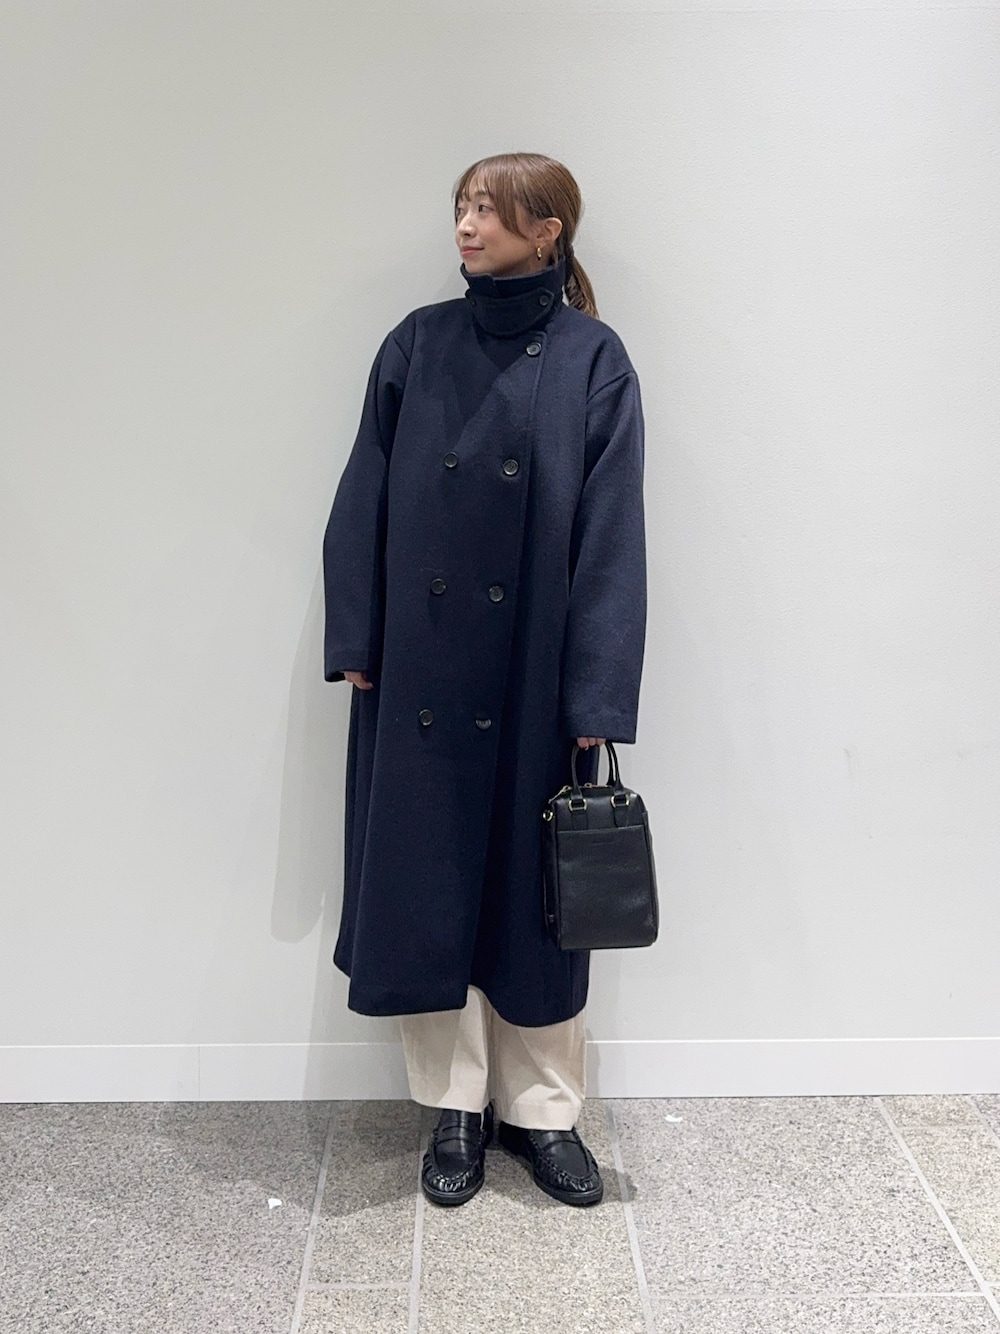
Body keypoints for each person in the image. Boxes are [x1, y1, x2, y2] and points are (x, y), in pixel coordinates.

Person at [321, 152, 647, 1208]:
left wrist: (596, 698)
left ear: (546, 230)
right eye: (461, 207)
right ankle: (453, 1106)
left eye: (488, 210)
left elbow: (612, 539)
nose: (466, 226)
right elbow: (363, 493)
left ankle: (544, 1112)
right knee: (430, 889)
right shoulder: (416, 343)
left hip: (537, 674)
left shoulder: (594, 358)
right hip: (419, 668)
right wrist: (356, 634)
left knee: (539, 907)